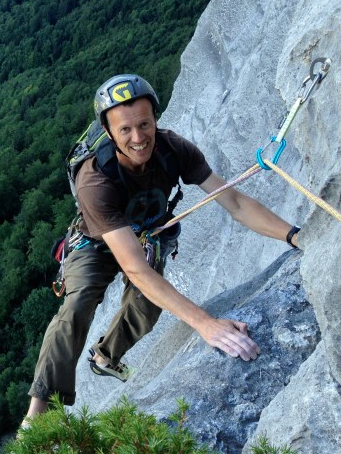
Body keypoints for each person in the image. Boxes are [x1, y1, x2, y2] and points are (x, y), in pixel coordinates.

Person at [22, 73, 302, 422]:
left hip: (143, 235)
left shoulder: (174, 150)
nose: (138, 138)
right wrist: (206, 324)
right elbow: (135, 269)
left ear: (155, 118)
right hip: (94, 243)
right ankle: (38, 413)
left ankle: (106, 356)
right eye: (124, 130)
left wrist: (295, 235)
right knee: (77, 305)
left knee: (146, 307)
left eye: (144, 124)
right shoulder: (95, 180)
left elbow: (234, 201)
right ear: (108, 133)